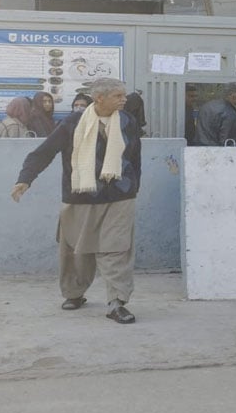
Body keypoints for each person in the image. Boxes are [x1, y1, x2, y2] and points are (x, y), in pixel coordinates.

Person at [12, 78, 143, 324]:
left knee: (117, 249)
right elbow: (44, 152)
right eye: (118, 96)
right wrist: (25, 179)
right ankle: (74, 293)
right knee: (75, 250)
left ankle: (117, 302)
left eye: (123, 95)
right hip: (80, 195)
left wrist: (135, 186)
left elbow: (135, 157)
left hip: (120, 195)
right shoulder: (73, 123)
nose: (124, 100)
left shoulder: (128, 122)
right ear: (99, 98)